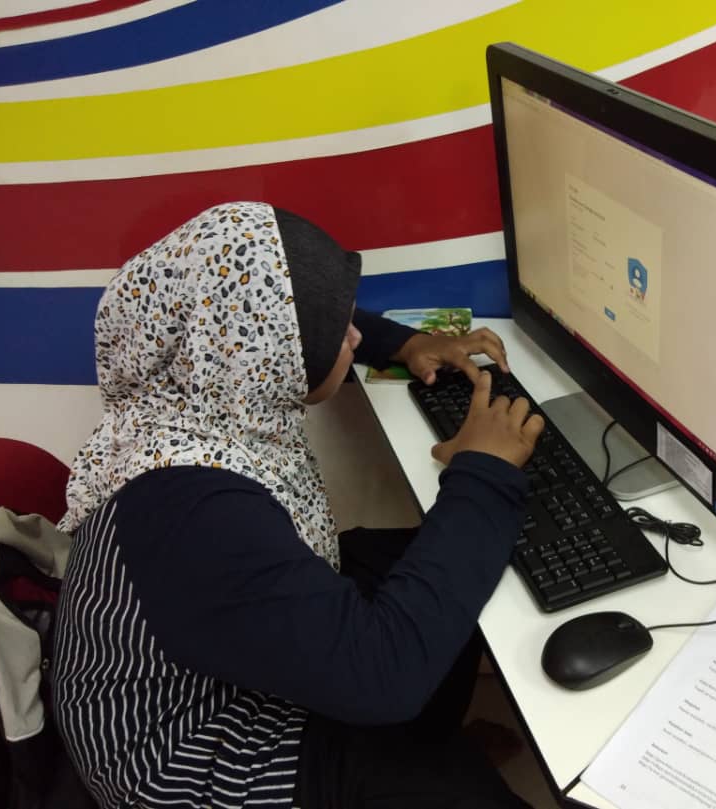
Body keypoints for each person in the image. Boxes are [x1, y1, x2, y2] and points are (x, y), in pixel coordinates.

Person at [51, 201, 545, 809]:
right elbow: (380, 677)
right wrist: (484, 473)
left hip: (204, 647)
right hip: (178, 755)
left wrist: (406, 342)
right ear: (270, 350)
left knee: (435, 577)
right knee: (444, 777)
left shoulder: (195, 378)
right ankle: (427, 758)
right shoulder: (195, 509)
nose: (354, 335)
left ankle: (429, 738)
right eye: (340, 331)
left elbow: (297, 312)